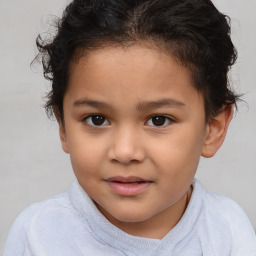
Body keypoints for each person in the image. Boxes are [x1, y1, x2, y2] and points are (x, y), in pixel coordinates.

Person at [4, 0, 256, 255]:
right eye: (97, 119)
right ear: (63, 127)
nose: (125, 152)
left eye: (159, 120)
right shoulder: (36, 236)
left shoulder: (228, 230)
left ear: (213, 128)